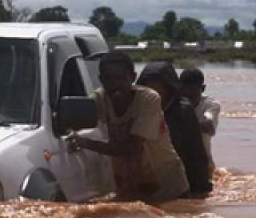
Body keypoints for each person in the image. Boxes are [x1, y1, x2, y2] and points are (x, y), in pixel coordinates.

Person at [67, 52, 189, 202]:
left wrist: (86, 144)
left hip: (168, 187)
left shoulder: (148, 99)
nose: (115, 84)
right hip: (129, 186)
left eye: (121, 78)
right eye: (109, 79)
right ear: (101, 80)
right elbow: (72, 120)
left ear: (133, 77)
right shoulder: (99, 99)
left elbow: (132, 147)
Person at [137, 62, 212, 197]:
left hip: (179, 181)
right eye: (148, 88)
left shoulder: (183, 111)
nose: (153, 93)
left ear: (169, 88)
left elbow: (197, 153)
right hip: (144, 181)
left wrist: (201, 189)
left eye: (158, 88)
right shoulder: (137, 109)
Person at [179, 68, 220, 174]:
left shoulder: (211, 105)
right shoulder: (174, 102)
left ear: (202, 88)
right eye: (185, 96)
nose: (188, 101)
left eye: (192, 96)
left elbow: (208, 126)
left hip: (202, 166)